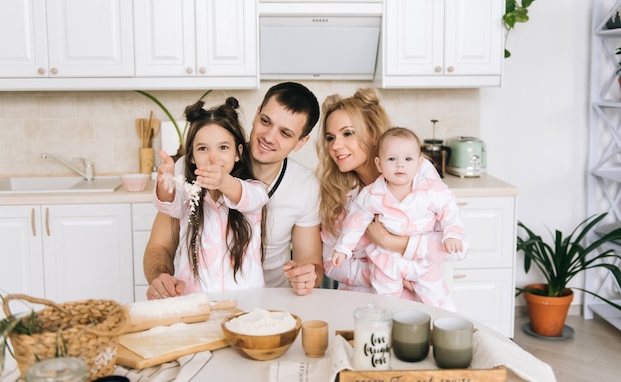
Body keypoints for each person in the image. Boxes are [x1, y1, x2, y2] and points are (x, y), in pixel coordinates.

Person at [144, 82, 323, 299]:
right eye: (265, 121)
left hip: (264, 300)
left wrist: (306, 276)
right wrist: (160, 277)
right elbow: (159, 245)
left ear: (301, 142)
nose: (268, 137)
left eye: (285, 133)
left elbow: (311, 264)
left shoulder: (304, 186)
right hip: (196, 298)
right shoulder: (191, 168)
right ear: (257, 113)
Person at [316, 87, 461, 310]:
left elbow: (456, 250)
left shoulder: (419, 175)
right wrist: (386, 271)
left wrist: (390, 243)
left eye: (347, 133)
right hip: (358, 304)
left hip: (416, 303)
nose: (335, 146)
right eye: (330, 137)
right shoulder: (335, 192)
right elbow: (332, 265)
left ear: (373, 133)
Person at [154, 97, 268, 293]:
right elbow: (169, 203)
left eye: (223, 147)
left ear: (238, 153)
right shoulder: (189, 195)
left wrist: (223, 181)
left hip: (247, 302)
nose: (212, 157)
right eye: (203, 148)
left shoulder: (253, 189)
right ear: (191, 156)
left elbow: (253, 198)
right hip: (194, 300)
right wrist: (166, 181)